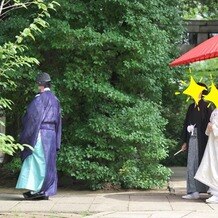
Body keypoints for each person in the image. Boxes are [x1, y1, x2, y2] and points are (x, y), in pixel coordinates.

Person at [16, 72, 62, 200]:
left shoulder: (39, 99)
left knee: (37, 160)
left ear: (40, 84)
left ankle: (37, 190)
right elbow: (58, 121)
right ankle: (45, 191)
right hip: (51, 134)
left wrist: (26, 135)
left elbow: (32, 118)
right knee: (48, 162)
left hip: (40, 133)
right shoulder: (55, 99)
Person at [180, 83, 212, 200]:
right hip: (192, 139)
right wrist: (184, 141)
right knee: (191, 164)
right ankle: (193, 190)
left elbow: (210, 124)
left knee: (202, 164)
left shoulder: (207, 106)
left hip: (203, 140)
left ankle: (204, 189)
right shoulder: (191, 106)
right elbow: (185, 124)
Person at [195, 108, 218, 203]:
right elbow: (208, 131)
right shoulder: (215, 111)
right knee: (211, 166)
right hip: (212, 144)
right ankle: (214, 191)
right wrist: (209, 128)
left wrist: (214, 127)